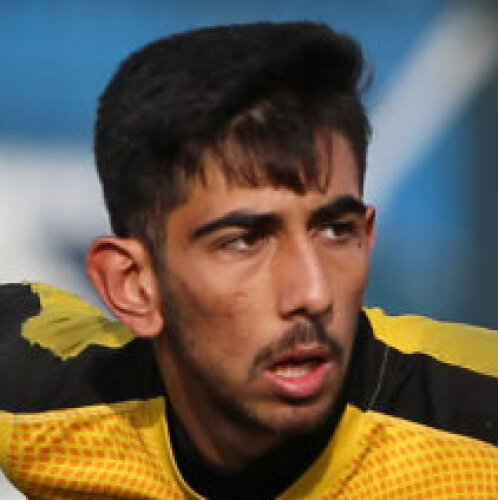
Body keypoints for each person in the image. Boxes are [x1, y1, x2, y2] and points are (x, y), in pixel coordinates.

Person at [0, 21, 496, 500]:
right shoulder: (43, 410)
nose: (313, 293)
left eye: (335, 230)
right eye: (244, 242)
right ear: (133, 285)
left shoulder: (476, 434)